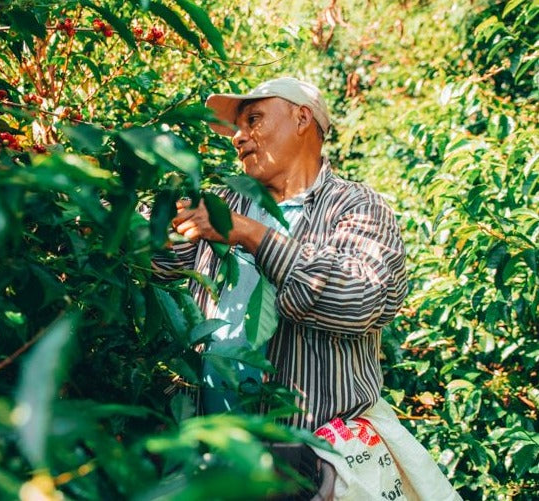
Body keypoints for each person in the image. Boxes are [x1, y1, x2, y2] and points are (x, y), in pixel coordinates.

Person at [154, 77, 460, 500]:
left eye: (254, 119)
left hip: (306, 461)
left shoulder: (357, 207)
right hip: (214, 450)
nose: (239, 137)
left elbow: (362, 297)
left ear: (302, 118)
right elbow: (153, 263)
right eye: (237, 127)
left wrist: (251, 235)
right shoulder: (224, 203)